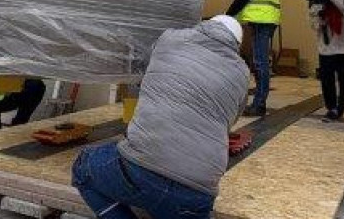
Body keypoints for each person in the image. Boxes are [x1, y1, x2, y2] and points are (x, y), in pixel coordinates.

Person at [72, 15, 250, 219]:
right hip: (197, 193)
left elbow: (146, 68)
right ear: (236, 44)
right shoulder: (242, 71)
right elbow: (232, 118)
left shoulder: (170, 38)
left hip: (141, 170)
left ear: (206, 25)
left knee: (83, 168)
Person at [226, 0, 280, 117]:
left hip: (259, 19)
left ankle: (259, 104)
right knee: (260, 61)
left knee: (260, 62)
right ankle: (260, 102)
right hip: (269, 19)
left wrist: (228, 14)